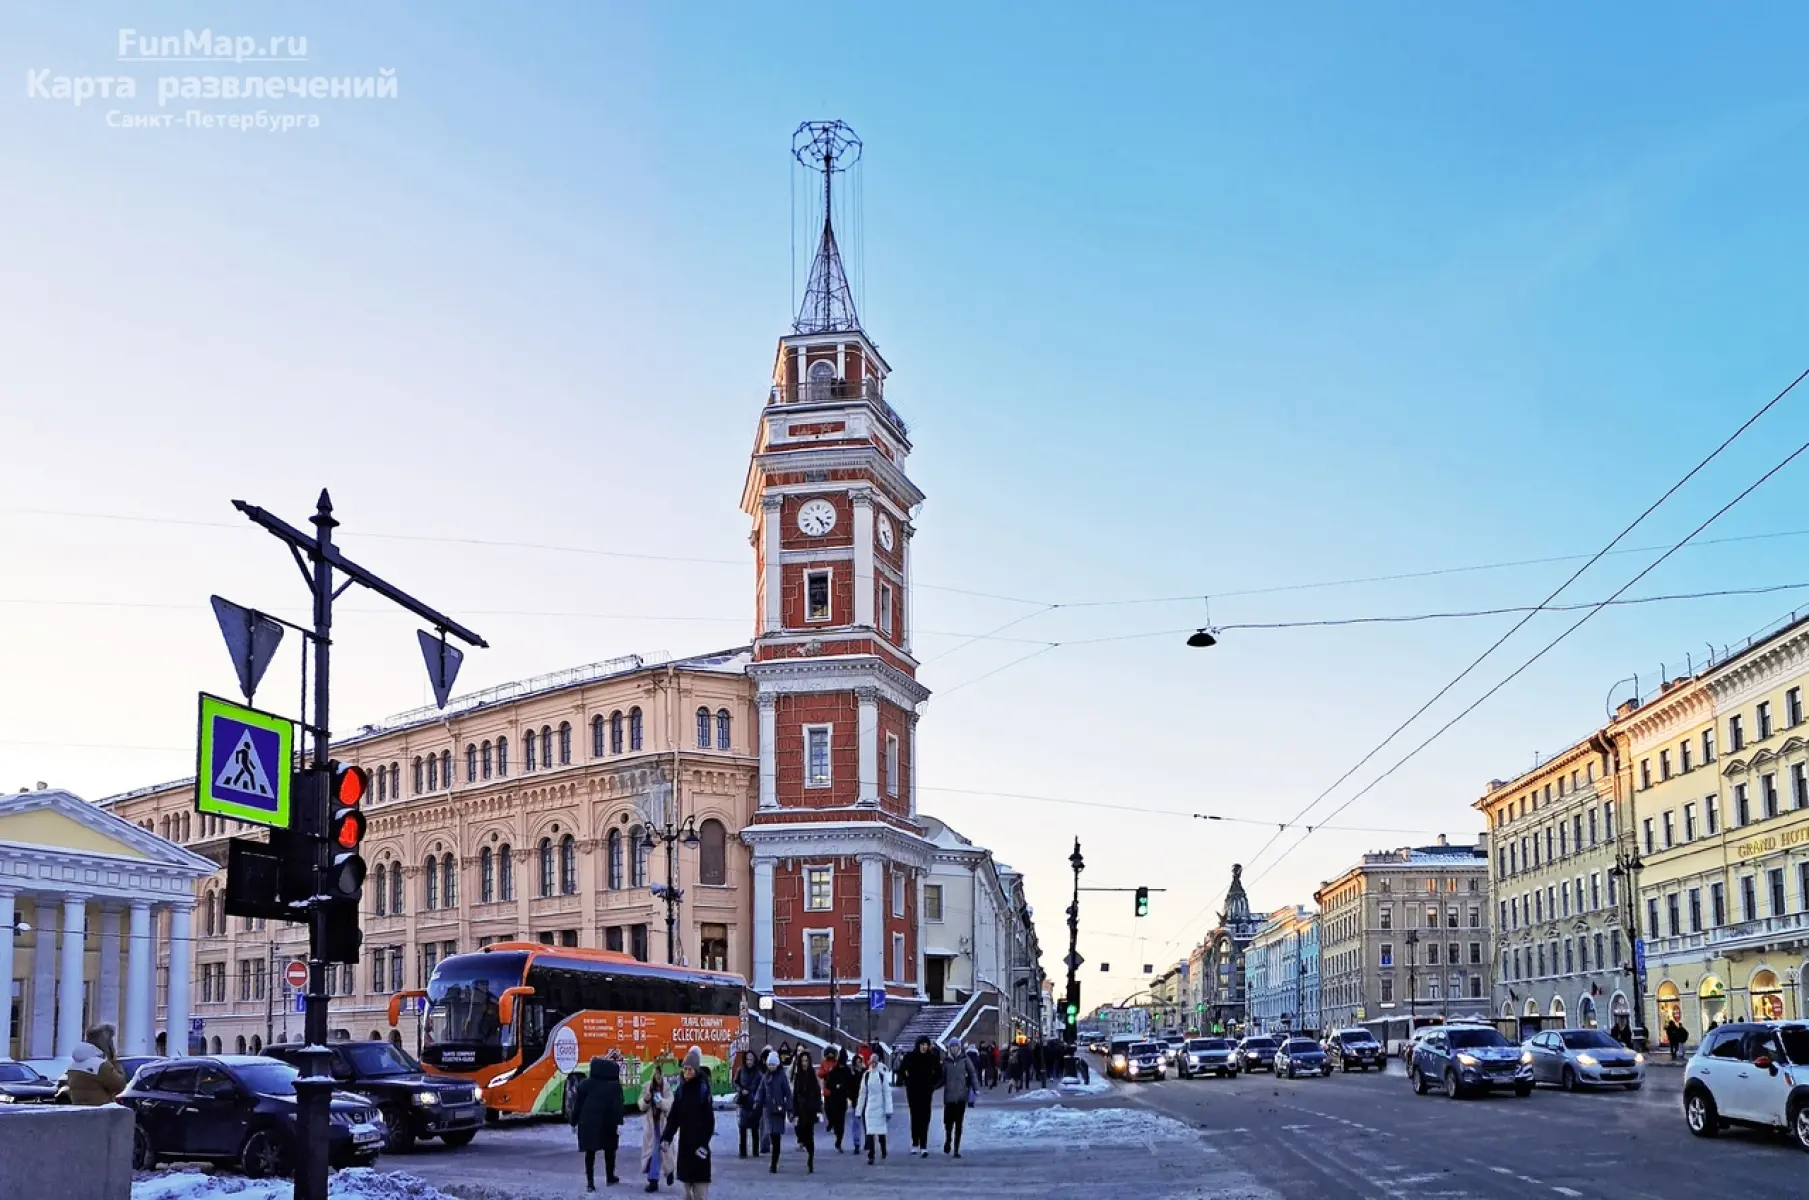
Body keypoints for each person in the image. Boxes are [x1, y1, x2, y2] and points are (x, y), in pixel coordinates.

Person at [661, 1047, 715, 1200]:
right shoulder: (681, 1090)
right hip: (685, 1145)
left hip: (699, 1146)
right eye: (684, 1069)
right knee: (686, 1192)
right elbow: (673, 1118)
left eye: (690, 1069)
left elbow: (709, 1122)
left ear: (696, 1070)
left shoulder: (703, 1090)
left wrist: (704, 1144)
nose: (687, 1072)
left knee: (700, 1193)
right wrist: (666, 1137)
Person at [571, 1057, 624, 1191]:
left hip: (588, 1122)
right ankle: (610, 1176)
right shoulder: (614, 1086)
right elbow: (618, 1105)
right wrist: (619, 1121)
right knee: (610, 1149)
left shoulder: (585, 1084)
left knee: (590, 1153)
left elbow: (578, 1105)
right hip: (608, 1122)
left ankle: (590, 1182)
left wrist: (573, 1121)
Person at [898, 1036, 942, 1157]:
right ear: (918, 1045)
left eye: (926, 1045)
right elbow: (901, 1070)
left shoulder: (931, 1058)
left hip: (926, 1092)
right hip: (913, 1092)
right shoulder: (910, 1057)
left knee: (925, 1118)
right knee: (915, 1117)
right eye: (922, 1045)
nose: (924, 1047)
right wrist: (908, 1082)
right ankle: (915, 1143)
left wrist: (933, 1085)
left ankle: (924, 1145)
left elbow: (939, 1073)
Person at [751, 1049, 793, 1174]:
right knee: (770, 1134)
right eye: (770, 1064)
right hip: (768, 1110)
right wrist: (757, 1101)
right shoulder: (765, 1077)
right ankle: (773, 1158)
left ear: (778, 1065)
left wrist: (790, 1108)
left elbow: (788, 1093)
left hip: (779, 1110)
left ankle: (774, 1162)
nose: (771, 1067)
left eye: (773, 1064)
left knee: (776, 1137)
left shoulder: (782, 1077)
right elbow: (760, 1091)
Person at [66, 1024, 127, 1106]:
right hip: (99, 1111)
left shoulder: (73, 1065)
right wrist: (114, 1061)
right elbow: (120, 1085)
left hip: (79, 1110)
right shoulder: (100, 1065)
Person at [854, 1042, 894, 1164]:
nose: (873, 1064)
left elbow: (887, 1094)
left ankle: (883, 1149)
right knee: (870, 1132)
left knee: (881, 1133)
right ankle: (871, 1155)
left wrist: (888, 1110)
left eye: (875, 1062)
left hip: (880, 1107)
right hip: (870, 1107)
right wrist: (859, 1110)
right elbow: (862, 1094)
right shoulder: (866, 1076)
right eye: (872, 1062)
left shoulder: (882, 1076)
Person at [941, 1038, 981, 1157]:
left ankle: (956, 1149)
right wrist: (932, 1086)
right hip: (949, 1097)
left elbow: (973, 1073)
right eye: (952, 1046)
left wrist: (976, 1088)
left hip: (961, 1097)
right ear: (949, 1048)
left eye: (956, 1046)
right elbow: (942, 1078)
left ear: (959, 1047)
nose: (954, 1048)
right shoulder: (946, 1061)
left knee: (958, 1123)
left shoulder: (965, 1059)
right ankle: (948, 1140)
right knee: (948, 1122)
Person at [641, 1068, 673, 1193]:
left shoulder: (666, 1087)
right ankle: (653, 1180)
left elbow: (671, 1104)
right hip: (651, 1124)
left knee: (666, 1150)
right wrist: (646, 1100)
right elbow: (641, 1106)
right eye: (656, 1075)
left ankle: (669, 1171)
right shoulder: (647, 1087)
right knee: (653, 1151)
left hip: (664, 1124)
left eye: (659, 1075)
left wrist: (661, 1103)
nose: (658, 1077)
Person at [790, 1049, 822, 1172]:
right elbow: (795, 1094)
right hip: (800, 1110)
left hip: (810, 1110)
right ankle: (804, 1144)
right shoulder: (798, 1077)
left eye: (806, 1061)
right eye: (802, 1061)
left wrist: (817, 1108)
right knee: (800, 1131)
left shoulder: (812, 1076)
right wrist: (794, 1111)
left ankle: (810, 1158)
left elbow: (817, 1094)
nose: (804, 1063)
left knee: (810, 1135)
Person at [822, 1048, 856, 1153]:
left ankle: (839, 1141)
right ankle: (831, 1124)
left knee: (840, 1122)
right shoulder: (834, 1070)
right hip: (832, 1098)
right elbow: (829, 1083)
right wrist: (835, 1086)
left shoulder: (847, 1070)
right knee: (831, 1113)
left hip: (842, 1099)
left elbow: (851, 1085)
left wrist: (849, 1094)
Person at [732, 1049, 762, 1158]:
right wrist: (741, 1090)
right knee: (742, 1127)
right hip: (743, 1101)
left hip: (753, 1102)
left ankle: (755, 1150)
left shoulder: (758, 1074)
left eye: (751, 1059)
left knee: (755, 1128)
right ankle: (743, 1151)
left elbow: (761, 1088)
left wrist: (756, 1097)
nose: (749, 1062)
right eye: (748, 1059)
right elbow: (736, 1083)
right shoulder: (741, 1070)